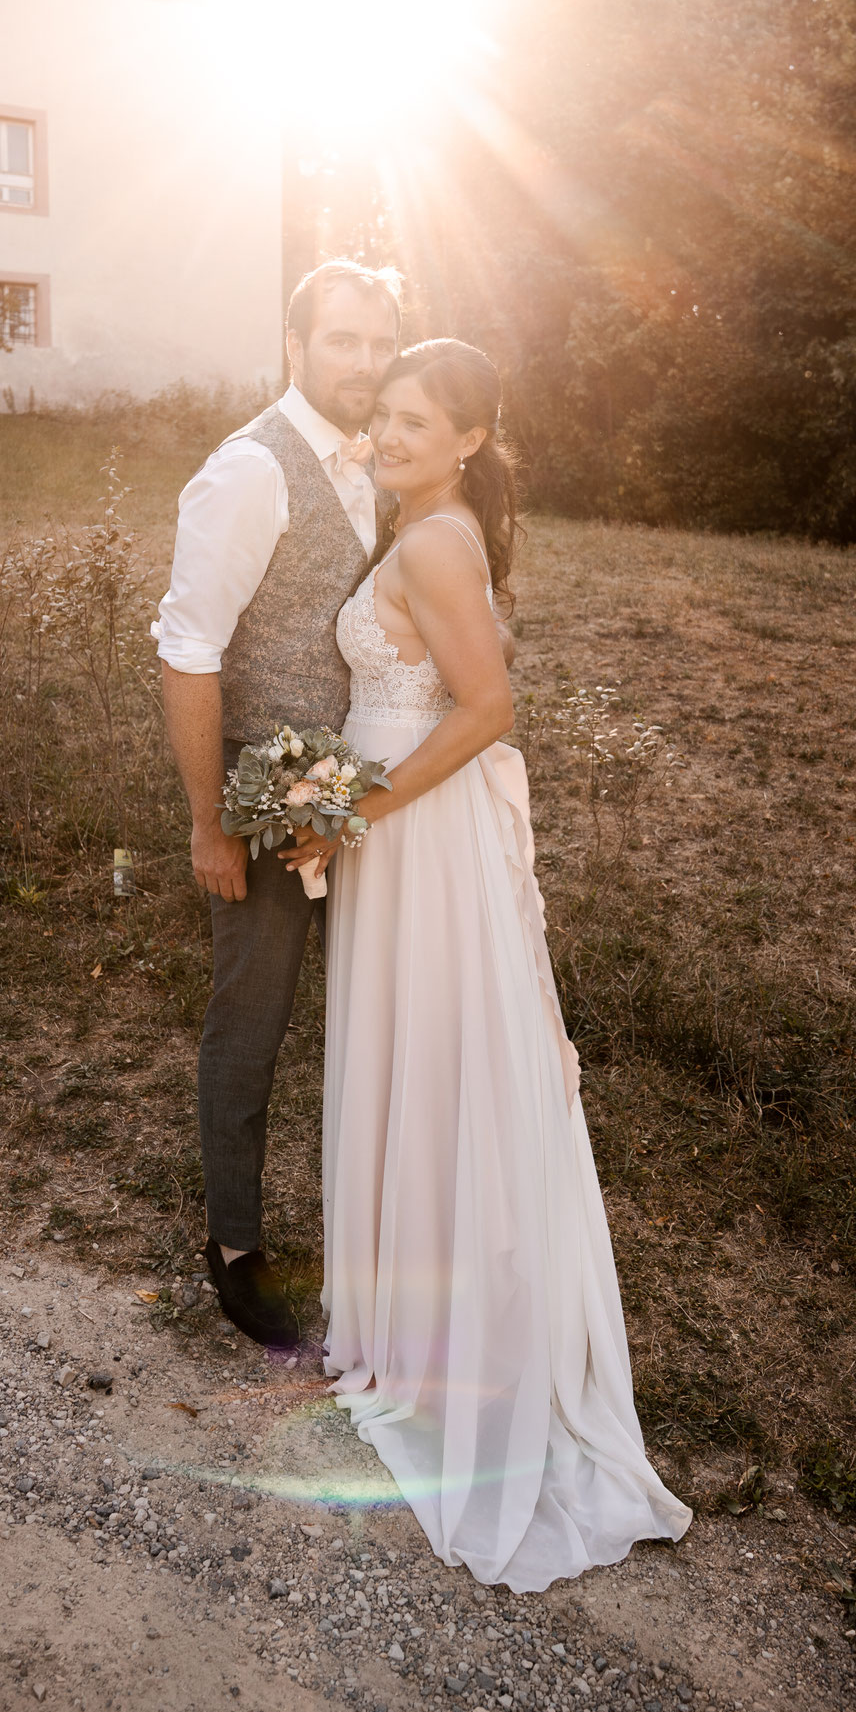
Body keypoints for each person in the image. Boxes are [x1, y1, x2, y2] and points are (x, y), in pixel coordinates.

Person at [284, 338, 692, 1590]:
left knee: (447, 1059)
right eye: (384, 412)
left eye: (418, 418)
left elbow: (486, 709)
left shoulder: (437, 540)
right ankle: (411, 1321)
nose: (391, 430)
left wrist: (355, 806)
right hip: (395, 832)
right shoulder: (421, 527)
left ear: (466, 437)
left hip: (420, 836)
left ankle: (460, 1341)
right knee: (418, 1053)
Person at [153, 260, 402, 1348]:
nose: (363, 361)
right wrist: (211, 819)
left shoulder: (387, 458)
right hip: (266, 790)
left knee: (383, 1008)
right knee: (251, 1022)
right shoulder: (250, 470)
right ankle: (238, 1246)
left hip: (367, 791)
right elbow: (188, 649)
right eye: (342, 339)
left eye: (380, 342)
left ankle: (382, 1233)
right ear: (298, 342)